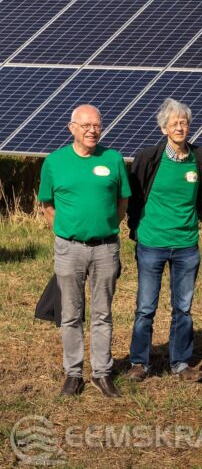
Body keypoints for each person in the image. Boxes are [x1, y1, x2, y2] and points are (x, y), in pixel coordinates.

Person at [39, 104, 131, 398]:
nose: (92, 130)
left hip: (106, 248)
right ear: (72, 128)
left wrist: (104, 228)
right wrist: (65, 232)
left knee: (103, 313)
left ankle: (102, 374)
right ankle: (73, 374)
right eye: (86, 126)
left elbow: (122, 202)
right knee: (70, 313)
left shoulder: (113, 159)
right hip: (69, 249)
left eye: (97, 125)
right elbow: (47, 206)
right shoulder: (54, 162)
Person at [125, 99, 202, 384]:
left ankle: (181, 362)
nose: (179, 127)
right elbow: (134, 196)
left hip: (186, 244)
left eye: (183, 122)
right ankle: (140, 362)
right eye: (173, 123)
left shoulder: (200, 159)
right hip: (152, 243)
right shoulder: (148, 158)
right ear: (163, 128)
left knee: (183, 309)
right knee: (145, 308)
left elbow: (201, 198)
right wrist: (136, 230)